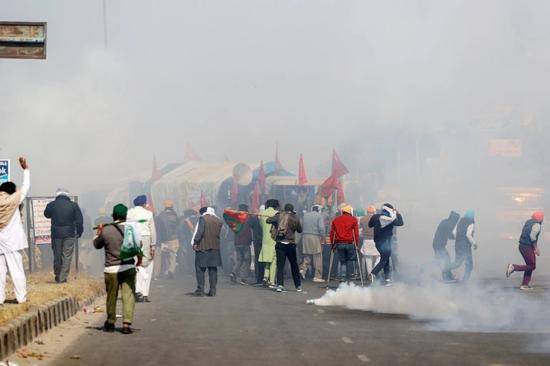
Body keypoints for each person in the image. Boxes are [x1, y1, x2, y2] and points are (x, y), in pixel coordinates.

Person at [93, 204, 139, 334]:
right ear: (126, 216)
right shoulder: (131, 229)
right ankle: (126, 324)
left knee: (111, 296)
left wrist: (99, 233)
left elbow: (97, 245)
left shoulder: (106, 230)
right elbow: (138, 245)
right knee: (128, 296)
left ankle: (111, 322)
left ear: (113, 216)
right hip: (128, 266)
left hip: (111, 269)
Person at [0, 157, 29, 304]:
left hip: (0, 243)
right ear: (12, 191)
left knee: (0, 273)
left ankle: (0, 298)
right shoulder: (13, 200)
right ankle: (21, 297)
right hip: (13, 243)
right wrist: (26, 170)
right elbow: (25, 187)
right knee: (17, 271)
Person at [44, 187, 84, 283]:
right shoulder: (73, 205)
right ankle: (63, 277)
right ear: (67, 195)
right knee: (67, 256)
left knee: (57, 255)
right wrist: (79, 231)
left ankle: (57, 274)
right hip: (69, 234)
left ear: (57, 195)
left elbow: (46, 214)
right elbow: (79, 220)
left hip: (56, 234)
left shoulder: (51, 205)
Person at [267, 203, 303, 293]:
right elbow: (300, 230)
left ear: (285, 209)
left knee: (280, 266)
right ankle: (298, 285)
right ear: (292, 209)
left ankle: (280, 285)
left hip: (280, 244)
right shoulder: (295, 217)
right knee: (294, 265)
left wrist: (277, 216)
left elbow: (268, 220)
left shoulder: (279, 216)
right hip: (291, 244)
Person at [127, 195, 157, 303]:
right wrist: (153, 246)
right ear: (144, 204)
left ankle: (138, 290)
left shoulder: (129, 213)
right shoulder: (148, 214)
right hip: (145, 240)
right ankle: (144, 293)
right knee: (147, 266)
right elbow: (152, 231)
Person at [506, 211, 544, 290]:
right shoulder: (537, 225)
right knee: (532, 265)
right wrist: (536, 248)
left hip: (522, 245)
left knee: (529, 265)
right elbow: (532, 236)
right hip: (527, 246)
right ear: (540, 219)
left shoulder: (529, 222)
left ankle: (525, 284)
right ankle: (513, 267)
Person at [367, 203, 404, 285]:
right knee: (384, 260)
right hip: (386, 243)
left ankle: (387, 279)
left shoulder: (375, 217)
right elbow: (401, 223)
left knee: (386, 259)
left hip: (377, 242)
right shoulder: (392, 219)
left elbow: (370, 225)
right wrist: (398, 213)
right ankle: (373, 273)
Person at [191, 207, 223, 297]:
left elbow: (200, 232)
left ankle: (200, 290)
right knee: (213, 269)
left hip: (203, 247)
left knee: (200, 269)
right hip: (215, 248)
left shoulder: (203, 219)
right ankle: (213, 290)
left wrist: (195, 242)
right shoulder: (219, 221)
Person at [230, 204, 261, 285]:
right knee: (247, 260)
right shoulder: (248, 218)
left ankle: (233, 273)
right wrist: (256, 216)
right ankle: (243, 279)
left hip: (237, 242)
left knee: (239, 259)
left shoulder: (235, 218)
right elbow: (255, 224)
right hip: (245, 242)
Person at [329, 205, 360, 283]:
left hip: (340, 243)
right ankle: (350, 276)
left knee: (343, 261)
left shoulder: (336, 220)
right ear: (350, 212)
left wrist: (333, 244)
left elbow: (332, 233)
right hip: (350, 243)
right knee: (351, 259)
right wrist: (357, 243)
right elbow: (356, 233)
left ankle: (342, 277)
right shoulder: (353, 219)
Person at [447, 210, 476, 282]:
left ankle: (445, 269)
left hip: (458, 245)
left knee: (457, 263)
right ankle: (465, 281)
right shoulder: (471, 223)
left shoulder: (460, 222)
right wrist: (474, 243)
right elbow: (468, 235)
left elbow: (454, 233)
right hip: (465, 246)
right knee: (469, 264)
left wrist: (458, 240)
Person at [299, 205, 325, 283]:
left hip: (304, 237)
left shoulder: (305, 215)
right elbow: (321, 228)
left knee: (307, 255)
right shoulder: (319, 216)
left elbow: (301, 226)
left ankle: (302, 270)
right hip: (314, 237)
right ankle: (317, 276)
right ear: (319, 210)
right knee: (317, 256)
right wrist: (323, 236)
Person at [432, 211, 460, 282]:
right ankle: (446, 278)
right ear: (454, 219)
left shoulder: (445, 221)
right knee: (445, 261)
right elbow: (450, 236)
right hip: (439, 245)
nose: (456, 222)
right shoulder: (449, 224)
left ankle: (449, 276)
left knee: (446, 259)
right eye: (456, 220)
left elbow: (448, 235)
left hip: (437, 244)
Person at [156, 200, 180, 279]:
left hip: (164, 239)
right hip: (174, 238)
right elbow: (178, 226)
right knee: (173, 255)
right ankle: (171, 270)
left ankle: (165, 270)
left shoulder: (161, 215)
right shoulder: (175, 215)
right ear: (172, 206)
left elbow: (159, 228)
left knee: (165, 255)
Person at [258, 199, 279, 287]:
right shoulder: (276, 213)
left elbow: (261, 225)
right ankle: (272, 281)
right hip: (273, 239)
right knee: (273, 260)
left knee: (267, 259)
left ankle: (265, 277)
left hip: (265, 239)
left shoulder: (262, 213)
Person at [360, 206, 380, 276]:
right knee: (378, 256)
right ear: (374, 212)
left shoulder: (362, 219)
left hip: (366, 240)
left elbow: (360, 230)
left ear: (367, 212)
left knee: (368, 259)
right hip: (376, 240)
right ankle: (375, 272)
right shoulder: (378, 219)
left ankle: (370, 274)